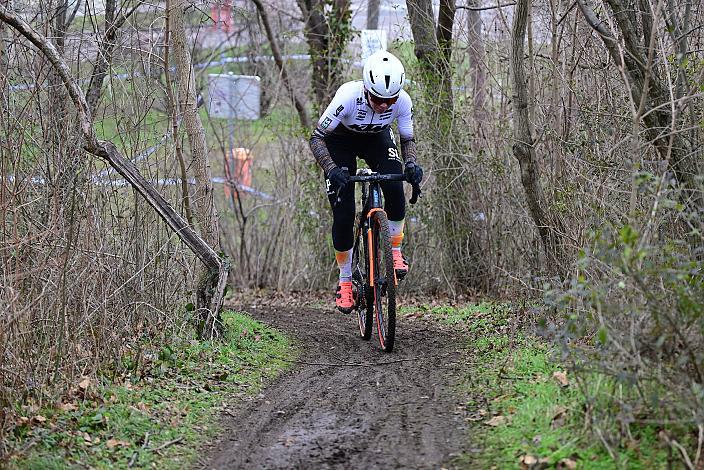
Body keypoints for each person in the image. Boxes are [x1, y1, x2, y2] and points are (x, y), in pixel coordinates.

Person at [308, 50, 424, 313]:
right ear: (366, 89)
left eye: (390, 100)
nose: (384, 105)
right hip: (340, 142)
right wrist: (331, 168)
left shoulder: (403, 102)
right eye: (378, 99)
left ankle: (394, 250)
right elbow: (317, 138)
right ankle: (346, 281)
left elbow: (407, 140)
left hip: (376, 139)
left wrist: (411, 165)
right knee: (343, 211)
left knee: (395, 188)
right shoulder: (348, 96)